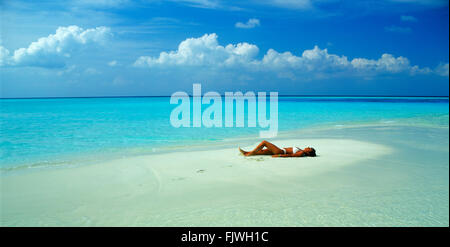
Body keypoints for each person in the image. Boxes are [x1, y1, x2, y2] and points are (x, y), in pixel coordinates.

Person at [239, 140, 316, 158]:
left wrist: (279, 155)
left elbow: (291, 155)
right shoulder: (302, 151)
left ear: (309, 152)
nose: (308, 147)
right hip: (279, 150)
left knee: (264, 142)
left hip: (280, 151)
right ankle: (246, 153)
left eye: (310, 148)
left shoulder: (301, 153)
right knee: (261, 151)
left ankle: (249, 153)